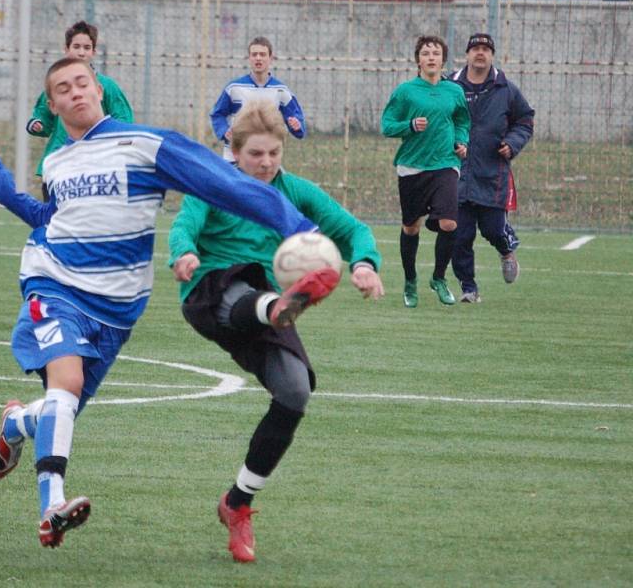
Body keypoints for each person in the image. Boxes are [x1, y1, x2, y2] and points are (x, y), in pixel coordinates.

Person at [0, 58, 326, 549]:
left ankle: (16, 423)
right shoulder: (56, 161)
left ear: (99, 89)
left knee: (65, 408)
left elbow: (221, 182)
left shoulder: (143, 144)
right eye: (63, 89)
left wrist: (295, 224)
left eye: (82, 82)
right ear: (54, 105)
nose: (75, 92)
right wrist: (7, 195)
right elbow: (52, 218)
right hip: (52, 283)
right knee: (68, 383)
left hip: (116, 310)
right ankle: (51, 506)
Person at [169, 100, 384, 563]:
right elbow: (184, 224)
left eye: (273, 155)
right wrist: (183, 253)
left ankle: (237, 502)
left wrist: (364, 263)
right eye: (255, 156)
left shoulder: (295, 192)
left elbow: (353, 230)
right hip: (210, 290)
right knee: (252, 291)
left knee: (295, 392)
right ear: (235, 150)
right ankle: (280, 307)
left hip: (263, 297)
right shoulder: (214, 185)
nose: (265, 164)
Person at [381, 35, 471, 308]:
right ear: (418, 60)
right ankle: (410, 281)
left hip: (445, 164)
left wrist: (461, 142)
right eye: (425, 53)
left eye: (436, 53)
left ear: (443, 59)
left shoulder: (454, 91)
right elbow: (387, 125)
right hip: (412, 166)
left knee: (449, 223)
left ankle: (439, 278)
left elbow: (462, 120)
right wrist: (408, 125)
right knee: (411, 227)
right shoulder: (406, 91)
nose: (431, 57)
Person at [449, 33, 535, 302]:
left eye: (486, 49)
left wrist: (512, 143)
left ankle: (507, 251)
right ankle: (468, 288)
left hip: (492, 174)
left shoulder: (506, 89)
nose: (480, 53)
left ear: (492, 55)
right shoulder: (450, 85)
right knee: (459, 236)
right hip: (457, 173)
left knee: (493, 229)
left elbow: (525, 121)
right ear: (467, 54)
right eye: (475, 48)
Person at [27, 20, 134, 200]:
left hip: (93, 166)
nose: (81, 52)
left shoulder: (106, 86)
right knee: (54, 221)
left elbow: (123, 119)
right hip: (58, 166)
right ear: (66, 49)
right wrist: (37, 124)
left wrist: (110, 141)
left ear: (93, 51)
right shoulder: (55, 84)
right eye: (76, 46)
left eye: (86, 47)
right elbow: (43, 115)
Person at [209, 36, 306, 161]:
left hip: (265, 158)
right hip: (235, 156)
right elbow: (218, 114)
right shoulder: (234, 88)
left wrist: (297, 126)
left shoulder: (281, 90)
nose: (258, 58)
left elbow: (297, 118)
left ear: (271, 58)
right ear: (249, 58)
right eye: (254, 54)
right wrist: (224, 131)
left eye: (262, 54)